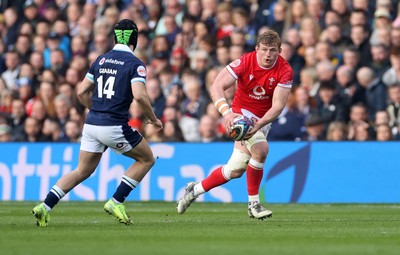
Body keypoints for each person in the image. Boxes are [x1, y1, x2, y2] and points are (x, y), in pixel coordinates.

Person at [32, 19, 163, 227]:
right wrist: (153, 118)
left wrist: (94, 109)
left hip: (92, 124)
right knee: (147, 159)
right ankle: (116, 201)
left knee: (82, 170)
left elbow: (81, 91)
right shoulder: (135, 64)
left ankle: (45, 206)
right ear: (134, 39)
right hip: (114, 125)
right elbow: (139, 96)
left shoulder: (101, 60)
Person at [176, 30, 293, 219]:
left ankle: (194, 190)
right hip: (241, 115)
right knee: (261, 150)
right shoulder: (245, 62)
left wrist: (260, 124)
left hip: (262, 120)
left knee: (235, 169)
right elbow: (217, 86)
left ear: (280, 50)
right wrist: (227, 113)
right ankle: (254, 204)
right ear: (257, 49)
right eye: (264, 50)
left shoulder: (285, 70)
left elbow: (278, 106)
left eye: (273, 50)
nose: (268, 55)